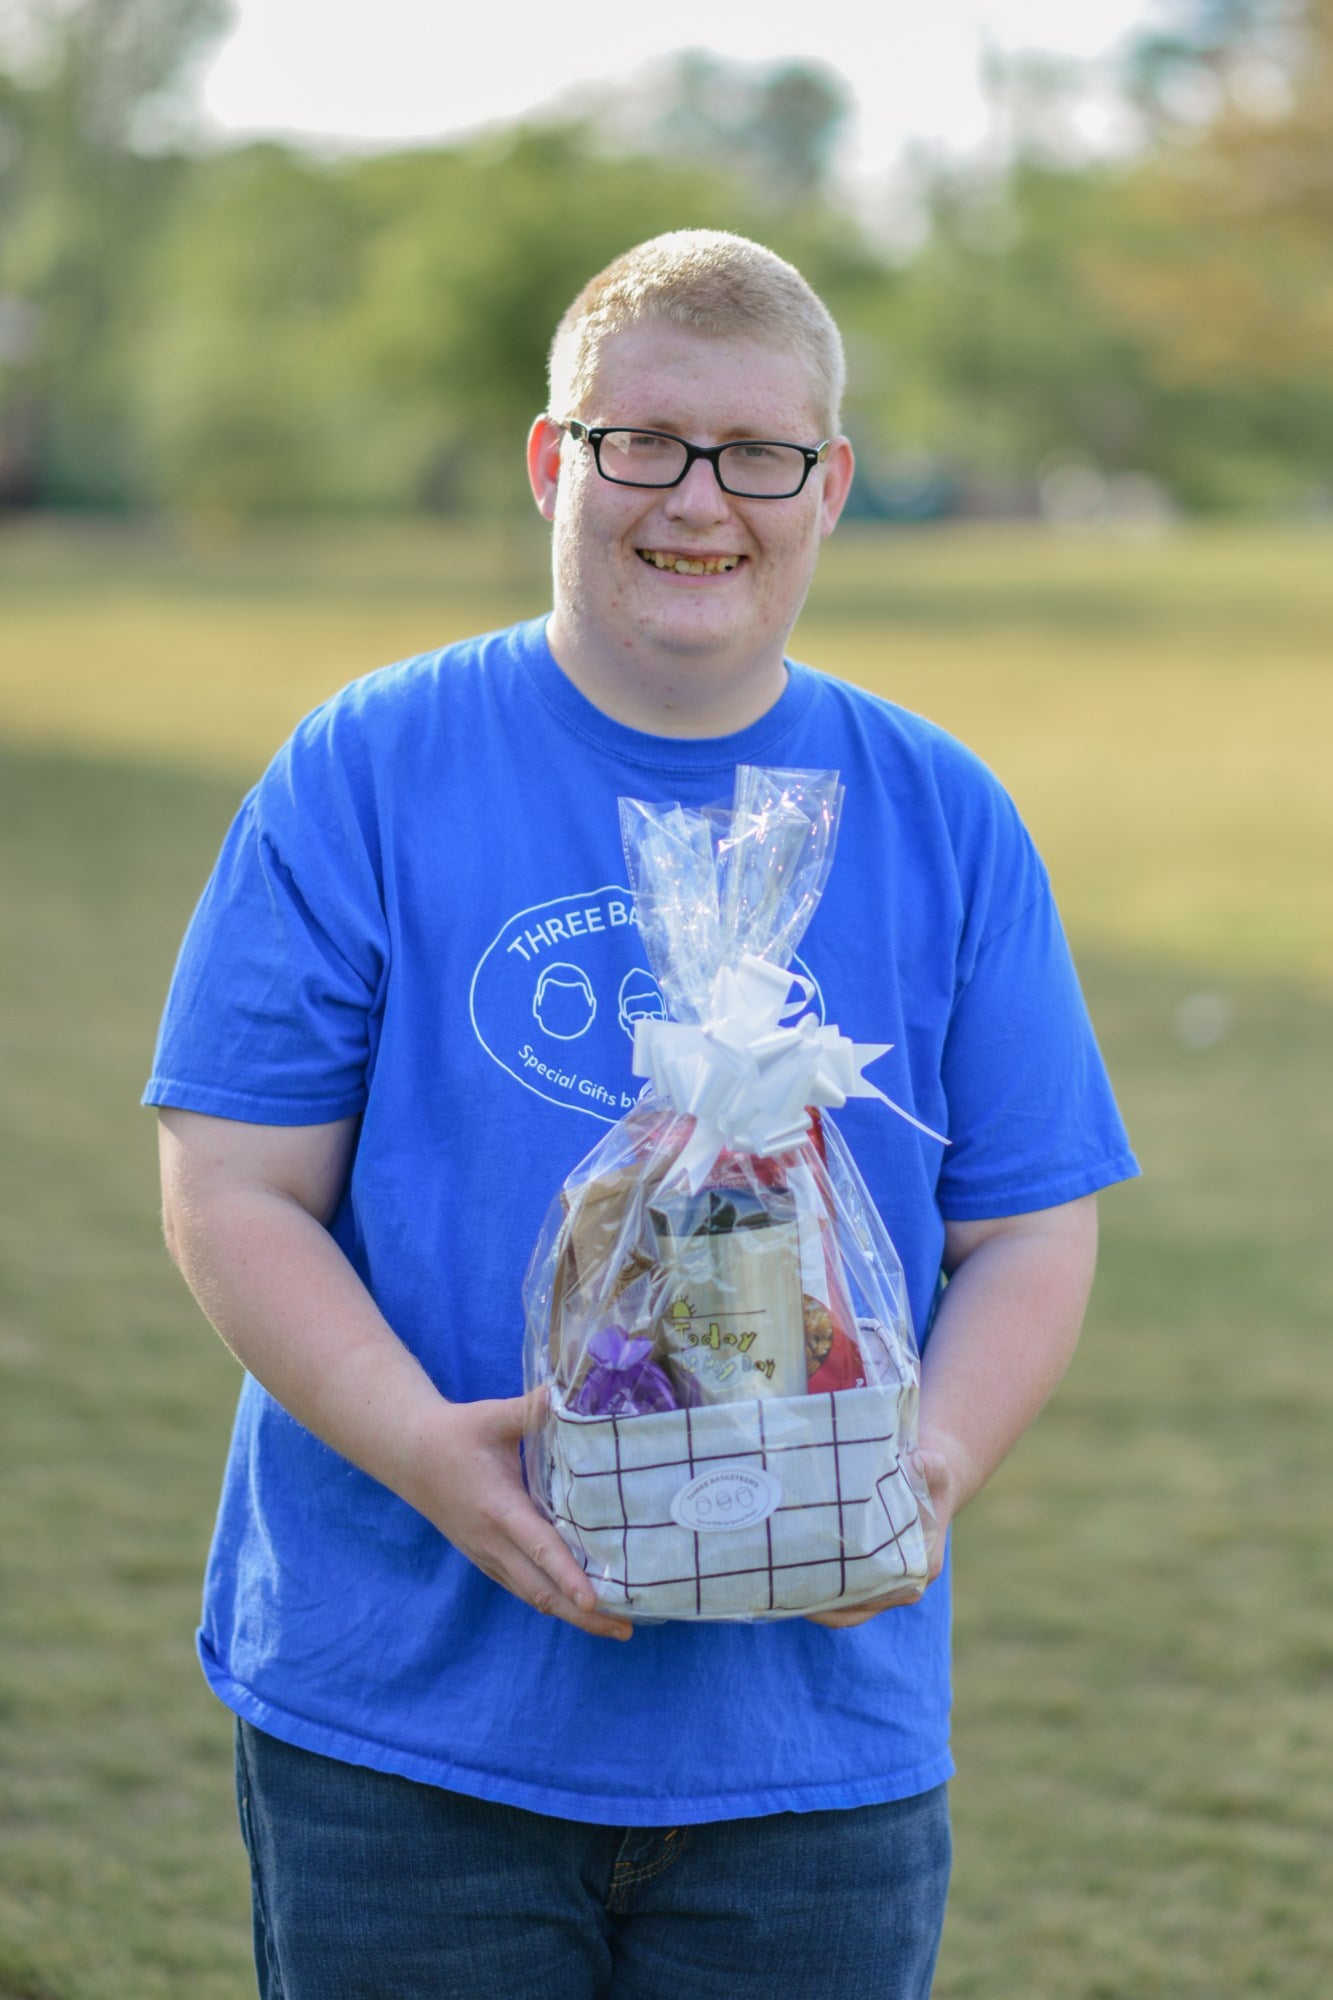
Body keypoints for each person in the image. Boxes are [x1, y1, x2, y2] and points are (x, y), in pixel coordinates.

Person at [147, 229, 1138, 2000]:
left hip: (807, 1746)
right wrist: (425, 1454)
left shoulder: (941, 814)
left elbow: (1028, 1225)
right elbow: (232, 1185)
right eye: (640, 443)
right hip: (405, 1724)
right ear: (554, 459)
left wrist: (926, 1475)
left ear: (827, 485)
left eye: (757, 453)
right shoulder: (366, 767)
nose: (698, 500)